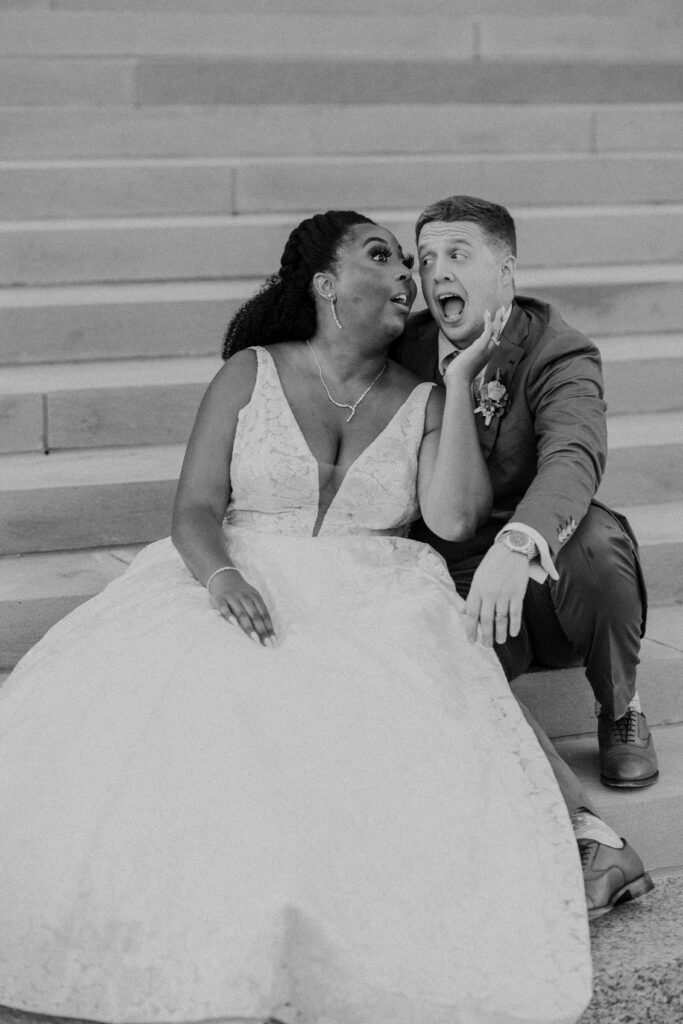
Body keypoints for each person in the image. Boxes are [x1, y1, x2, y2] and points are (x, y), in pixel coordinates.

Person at [0, 210, 594, 1024]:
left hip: (375, 595)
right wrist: (220, 579)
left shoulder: (421, 394)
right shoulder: (250, 372)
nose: (407, 278)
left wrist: (456, 388)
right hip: (236, 575)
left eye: (410, 264)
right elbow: (195, 509)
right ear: (324, 285)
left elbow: (453, 520)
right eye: (383, 258)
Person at [392, 193, 657, 912]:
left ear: (505, 272)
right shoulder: (405, 349)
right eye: (424, 260)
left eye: (456, 255)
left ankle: (619, 704)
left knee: (601, 542)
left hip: (548, 554)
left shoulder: (555, 347)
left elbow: (573, 455)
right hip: (452, 566)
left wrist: (519, 539)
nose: (434, 271)